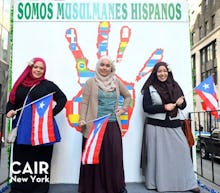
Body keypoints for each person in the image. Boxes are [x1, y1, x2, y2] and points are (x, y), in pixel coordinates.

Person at [6, 57, 67, 193]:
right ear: (30, 68)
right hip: (23, 128)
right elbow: (12, 102)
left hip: (42, 129)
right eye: (36, 67)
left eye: (41, 68)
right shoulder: (20, 85)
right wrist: (8, 111)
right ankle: (19, 188)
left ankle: (39, 188)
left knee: (41, 157)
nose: (38, 70)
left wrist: (51, 114)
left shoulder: (48, 85)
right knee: (22, 157)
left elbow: (62, 99)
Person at [141, 61, 200, 193]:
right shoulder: (150, 88)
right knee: (157, 157)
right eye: (159, 72)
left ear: (168, 72)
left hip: (174, 123)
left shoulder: (175, 86)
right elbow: (146, 108)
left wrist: (180, 103)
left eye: (164, 71)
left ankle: (189, 183)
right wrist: (164, 107)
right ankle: (156, 184)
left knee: (183, 152)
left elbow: (183, 106)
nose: (162, 74)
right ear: (155, 74)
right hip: (155, 126)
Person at [78, 55, 131, 193]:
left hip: (112, 124)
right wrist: (82, 119)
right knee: (94, 156)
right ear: (97, 66)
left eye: (108, 66)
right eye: (102, 65)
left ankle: (116, 187)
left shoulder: (116, 82)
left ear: (111, 68)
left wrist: (123, 108)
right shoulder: (91, 82)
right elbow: (84, 102)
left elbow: (127, 96)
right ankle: (93, 188)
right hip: (94, 125)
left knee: (114, 157)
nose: (104, 68)